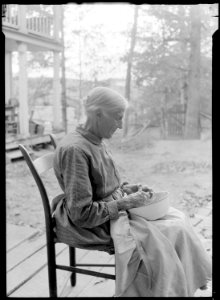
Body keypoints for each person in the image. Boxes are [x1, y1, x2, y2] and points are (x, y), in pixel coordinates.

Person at [52, 86, 211, 297]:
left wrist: (128, 189)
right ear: (98, 114)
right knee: (170, 232)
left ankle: (179, 288)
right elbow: (81, 214)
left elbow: (103, 185)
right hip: (90, 225)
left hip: (108, 214)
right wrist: (126, 203)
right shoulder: (76, 150)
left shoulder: (96, 140)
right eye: (117, 118)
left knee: (178, 219)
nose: (120, 126)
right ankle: (163, 291)